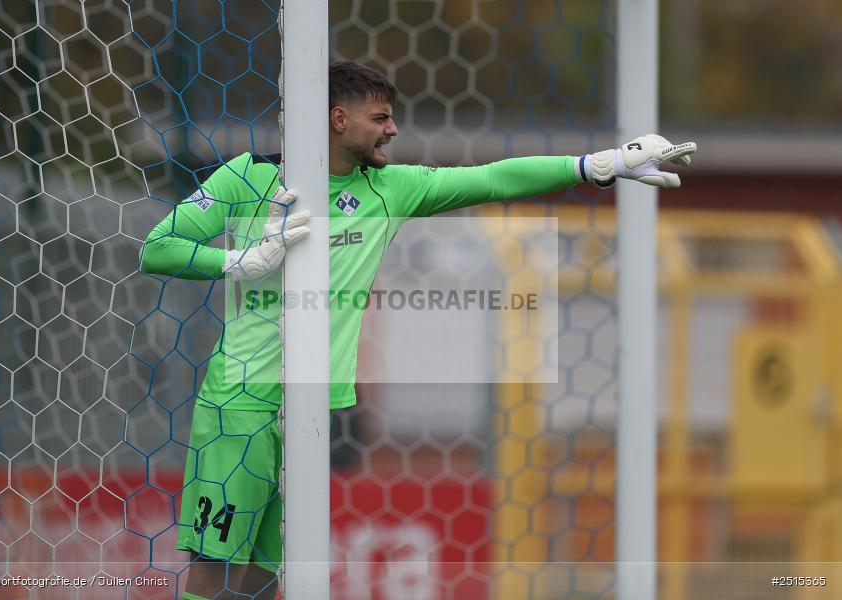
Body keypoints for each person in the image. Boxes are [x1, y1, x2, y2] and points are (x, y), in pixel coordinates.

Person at [139, 60, 696, 600]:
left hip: (314, 407)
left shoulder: (391, 189)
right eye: (380, 118)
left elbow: (492, 178)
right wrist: (240, 262)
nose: (393, 129)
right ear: (339, 120)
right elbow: (157, 248)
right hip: (239, 401)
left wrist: (597, 165)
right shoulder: (248, 177)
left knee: (266, 575)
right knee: (213, 572)